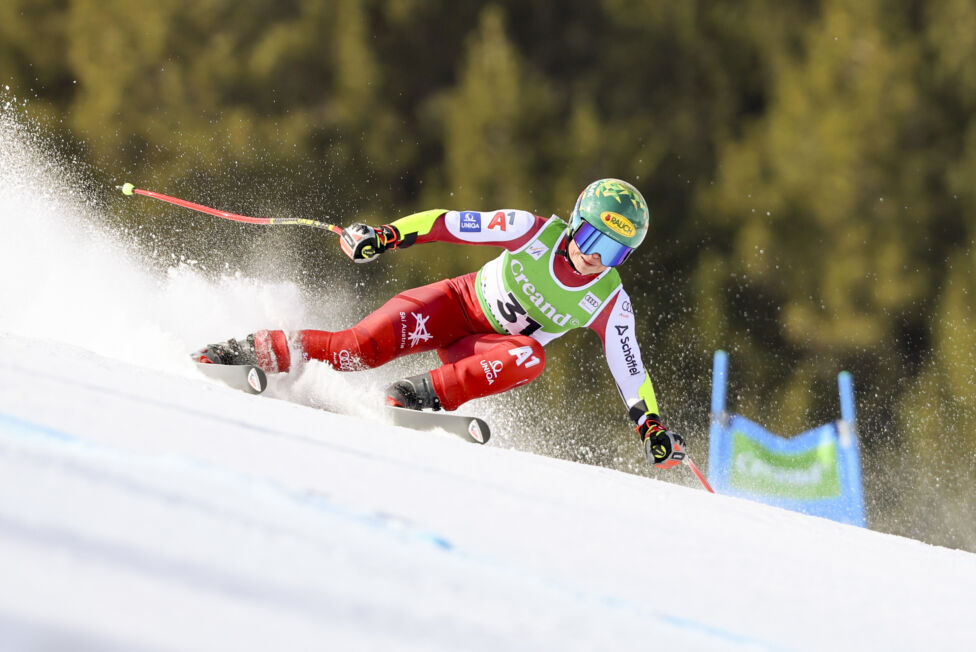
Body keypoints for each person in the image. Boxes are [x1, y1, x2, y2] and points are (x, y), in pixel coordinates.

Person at [196, 178, 685, 469]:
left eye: (614, 252)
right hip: (453, 305)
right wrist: (386, 236)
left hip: (483, 350)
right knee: (357, 350)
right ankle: (247, 351)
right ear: (575, 221)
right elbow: (447, 222)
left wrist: (650, 426)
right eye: (591, 238)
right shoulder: (532, 231)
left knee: (529, 357)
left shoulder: (609, 299)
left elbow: (630, 368)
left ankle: (416, 395)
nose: (594, 257)